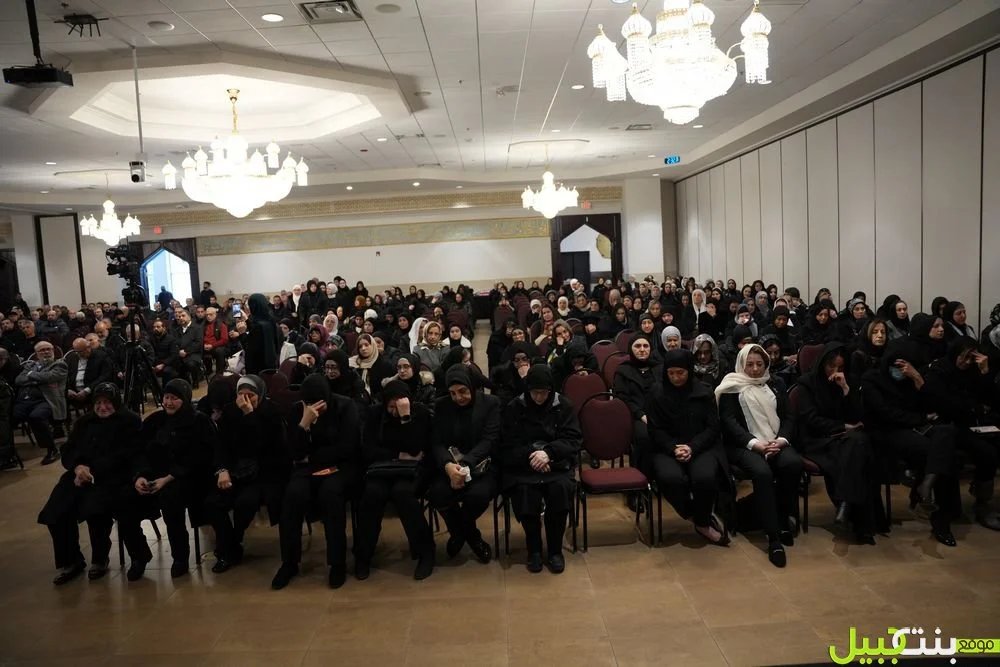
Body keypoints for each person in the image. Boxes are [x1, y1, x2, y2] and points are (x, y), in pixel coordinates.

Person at [37, 383, 141, 584]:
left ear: (116, 403)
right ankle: (71, 560)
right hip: (80, 474)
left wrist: (92, 471)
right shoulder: (84, 422)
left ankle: (99, 559)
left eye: (107, 403)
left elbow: (129, 455)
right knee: (56, 510)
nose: (102, 407)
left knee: (95, 509)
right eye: (98, 403)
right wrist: (78, 467)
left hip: (112, 477)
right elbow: (69, 449)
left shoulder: (130, 421)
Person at [861, 340, 961, 546]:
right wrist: (920, 418)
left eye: (904, 365)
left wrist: (917, 379)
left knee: (946, 433)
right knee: (941, 454)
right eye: (896, 365)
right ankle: (939, 515)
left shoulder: (912, 378)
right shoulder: (872, 379)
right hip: (887, 431)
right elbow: (885, 413)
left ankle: (926, 484)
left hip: (916, 426)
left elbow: (934, 406)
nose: (899, 370)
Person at [716, 344, 802, 568]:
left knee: (792, 464)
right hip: (743, 446)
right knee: (762, 473)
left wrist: (781, 440)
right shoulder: (731, 386)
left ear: (767, 364)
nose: (755, 369)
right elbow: (729, 423)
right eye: (750, 365)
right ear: (741, 364)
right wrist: (756, 444)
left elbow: (789, 416)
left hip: (775, 441)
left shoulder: (776, 383)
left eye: (759, 364)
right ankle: (773, 538)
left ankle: (783, 519)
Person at [272, 374, 361, 590]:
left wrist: (312, 456)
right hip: (307, 469)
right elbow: (294, 453)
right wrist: (303, 425)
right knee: (293, 495)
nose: (313, 407)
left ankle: (337, 563)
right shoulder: (298, 411)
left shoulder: (345, 406)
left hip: (340, 468)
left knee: (331, 494)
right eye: (308, 403)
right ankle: (290, 562)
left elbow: (347, 447)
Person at [124, 379, 215, 580]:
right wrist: (140, 475)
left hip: (187, 478)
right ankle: (139, 556)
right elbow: (139, 451)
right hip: (153, 477)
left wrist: (168, 477)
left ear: (185, 400)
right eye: (166, 397)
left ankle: (180, 558)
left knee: (170, 501)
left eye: (174, 398)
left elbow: (201, 457)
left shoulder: (199, 421)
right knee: (125, 502)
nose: (169, 402)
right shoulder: (155, 420)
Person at [500, 365, 581, 573]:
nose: (538, 397)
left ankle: (555, 550)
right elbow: (508, 444)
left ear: (550, 390)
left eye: (543, 392)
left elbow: (573, 439)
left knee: (560, 489)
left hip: (556, 464)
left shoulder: (563, 405)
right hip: (524, 465)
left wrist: (549, 454)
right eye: (534, 392)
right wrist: (534, 456)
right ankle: (534, 549)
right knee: (525, 492)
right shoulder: (515, 407)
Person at [795, 343, 880, 543]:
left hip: (844, 439)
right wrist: (842, 426)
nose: (835, 371)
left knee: (858, 444)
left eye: (840, 367)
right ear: (822, 364)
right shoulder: (807, 384)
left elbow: (857, 416)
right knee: (858, 448)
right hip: (818, 440)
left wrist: (845, 389)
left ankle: (846, 505)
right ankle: (861, 523)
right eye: (831, 366)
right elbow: (811, 420)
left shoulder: (848, 382)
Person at [355, 380, 436, 580]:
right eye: (391, 407)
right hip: (382, 469)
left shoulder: (419, 413)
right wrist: (398, 454)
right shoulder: (375, 414)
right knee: (372, 494)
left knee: (403, 494)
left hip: (412, 471)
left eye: (398, 407)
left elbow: (416, 449)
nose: (394, 412)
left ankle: (425, 552)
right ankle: (363, 555)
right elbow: (368, 450)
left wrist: (406, 418)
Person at [207, 375, 289, 573]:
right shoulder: (230, 412)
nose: (245, 400)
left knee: (245, 502)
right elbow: (221, 445)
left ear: (260, 395)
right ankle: (231, 546)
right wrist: (222, 470)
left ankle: (230, 546)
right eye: (240, 395)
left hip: (263, 471)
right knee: (212, 503)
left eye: (250, 395)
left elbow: (267, 448)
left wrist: (250, 415)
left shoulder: (272, 412)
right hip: (236, 470)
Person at [646, 350, 728, 544]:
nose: (676, 377)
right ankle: (695, 515)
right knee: (670, 478)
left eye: (680, 373)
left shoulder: (704, 392)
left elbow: (712, 427)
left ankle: (702, 523)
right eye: (671, 373)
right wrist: (673, 448)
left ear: (689, 371)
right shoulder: (657, 393)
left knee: (704, 477)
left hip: (700, 446)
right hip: (667, 447)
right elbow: (655, 429)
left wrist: (692, 447)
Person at [923, 338, 1000, 530]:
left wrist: (985, 372)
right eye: (964, 358)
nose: (967, 362)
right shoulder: (940, 370)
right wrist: (974, 408)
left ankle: (983, 496)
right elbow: (946, 404)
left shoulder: (973, 370)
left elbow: (989, 399)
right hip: (947, 427)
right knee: (986, 452)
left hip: (972, 424)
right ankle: (981, 504)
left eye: (971, 358)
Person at [426, 366, 501, 564]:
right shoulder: (442, 405)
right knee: (437, 493)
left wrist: (465, 464)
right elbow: (437, 442)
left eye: (462, 391)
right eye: (452, 393)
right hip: (450, 466)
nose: (458, 398)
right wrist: (448, 466)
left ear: (472, 386)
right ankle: (471, 536)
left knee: (478, 495)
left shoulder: (490, 403)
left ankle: (459, 533)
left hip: (482, 465)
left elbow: (489, 440)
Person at [612, 334, 660, 481]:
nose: (642, 349)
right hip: (634, 416)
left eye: (646, 346)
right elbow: (622, 399)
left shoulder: (659, 368)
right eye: (637, 346)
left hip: (659, 414)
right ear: (630, 349)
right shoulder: (623, 370)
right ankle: (643, 479)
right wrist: (640, 414)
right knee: (644, 436)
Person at [14, 341, 68, 465]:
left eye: (48, 349)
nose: (46, 352)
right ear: (36, 354)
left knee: (36, 416)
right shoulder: (31, 365)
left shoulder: (60, 364)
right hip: (26, 400)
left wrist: (31, 375)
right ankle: (8, 453)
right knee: (9, 417)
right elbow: (19, 380)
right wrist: (38, 378)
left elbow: (50, 377)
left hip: (47, 399)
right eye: (42, 350)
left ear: (53, 350)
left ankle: (52, 449)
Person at [64, 337, 114, 410]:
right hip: (73, 391)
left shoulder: (101, 356)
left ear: (88, 348)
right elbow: (65, 375)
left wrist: (87, 390)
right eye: (76, 351)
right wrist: (68, 389)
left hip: (93, 390)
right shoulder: (72, 357)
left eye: (80, 352)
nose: (77, 354)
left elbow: (105, 376)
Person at [242, 293, 280, 375]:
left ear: (254, 306)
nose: (248, 307)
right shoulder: (271, 320)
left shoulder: (258, 325)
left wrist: (242, 333)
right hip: (270, 364)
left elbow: (248, 347)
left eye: (249, 305)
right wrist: (247, 320)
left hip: (257, 367)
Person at [349, 333, 393, 402]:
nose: (363, 348)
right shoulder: (353, 364)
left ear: (373, 345)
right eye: (360, 346)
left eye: (366, 345)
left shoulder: (384, 365)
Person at [150, 318, 180, 384]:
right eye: (154, 327)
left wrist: (163, 364)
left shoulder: (171, 339)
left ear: (164, 328)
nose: (155, 329)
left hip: (168, 364)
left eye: (158, 327)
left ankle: (165, 389)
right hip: (156, 363)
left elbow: (174, 355)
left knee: (166, 371)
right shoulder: (151, 339)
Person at [202, 307, 229, 378]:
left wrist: (212, 345)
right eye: (207, 315)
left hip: (217, 346)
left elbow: (224, 340)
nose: (208, 316)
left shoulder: (221, 325)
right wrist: (203, 345)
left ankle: (219, 373)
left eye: (210, 314)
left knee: (219, 351)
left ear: (215, 315)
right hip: (205, 346)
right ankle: (208, 370)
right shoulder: (203, 325)